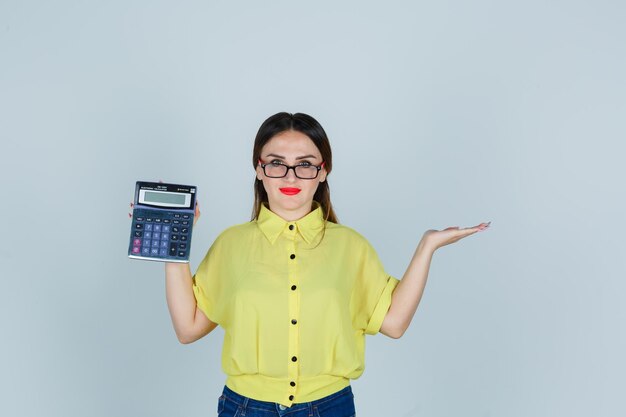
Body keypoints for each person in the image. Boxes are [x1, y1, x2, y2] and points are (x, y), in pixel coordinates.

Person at [131, 112, 490, 416]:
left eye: (304, 165)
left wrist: (427, 247)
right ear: (258, 170)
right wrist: (173, 248)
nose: (290, 177)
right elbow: (188, 328)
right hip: (245, 408)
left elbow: (393, 323)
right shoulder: (231, 244)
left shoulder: (351, 246)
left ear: (322, 172)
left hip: (330, 406)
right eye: (276, 164)